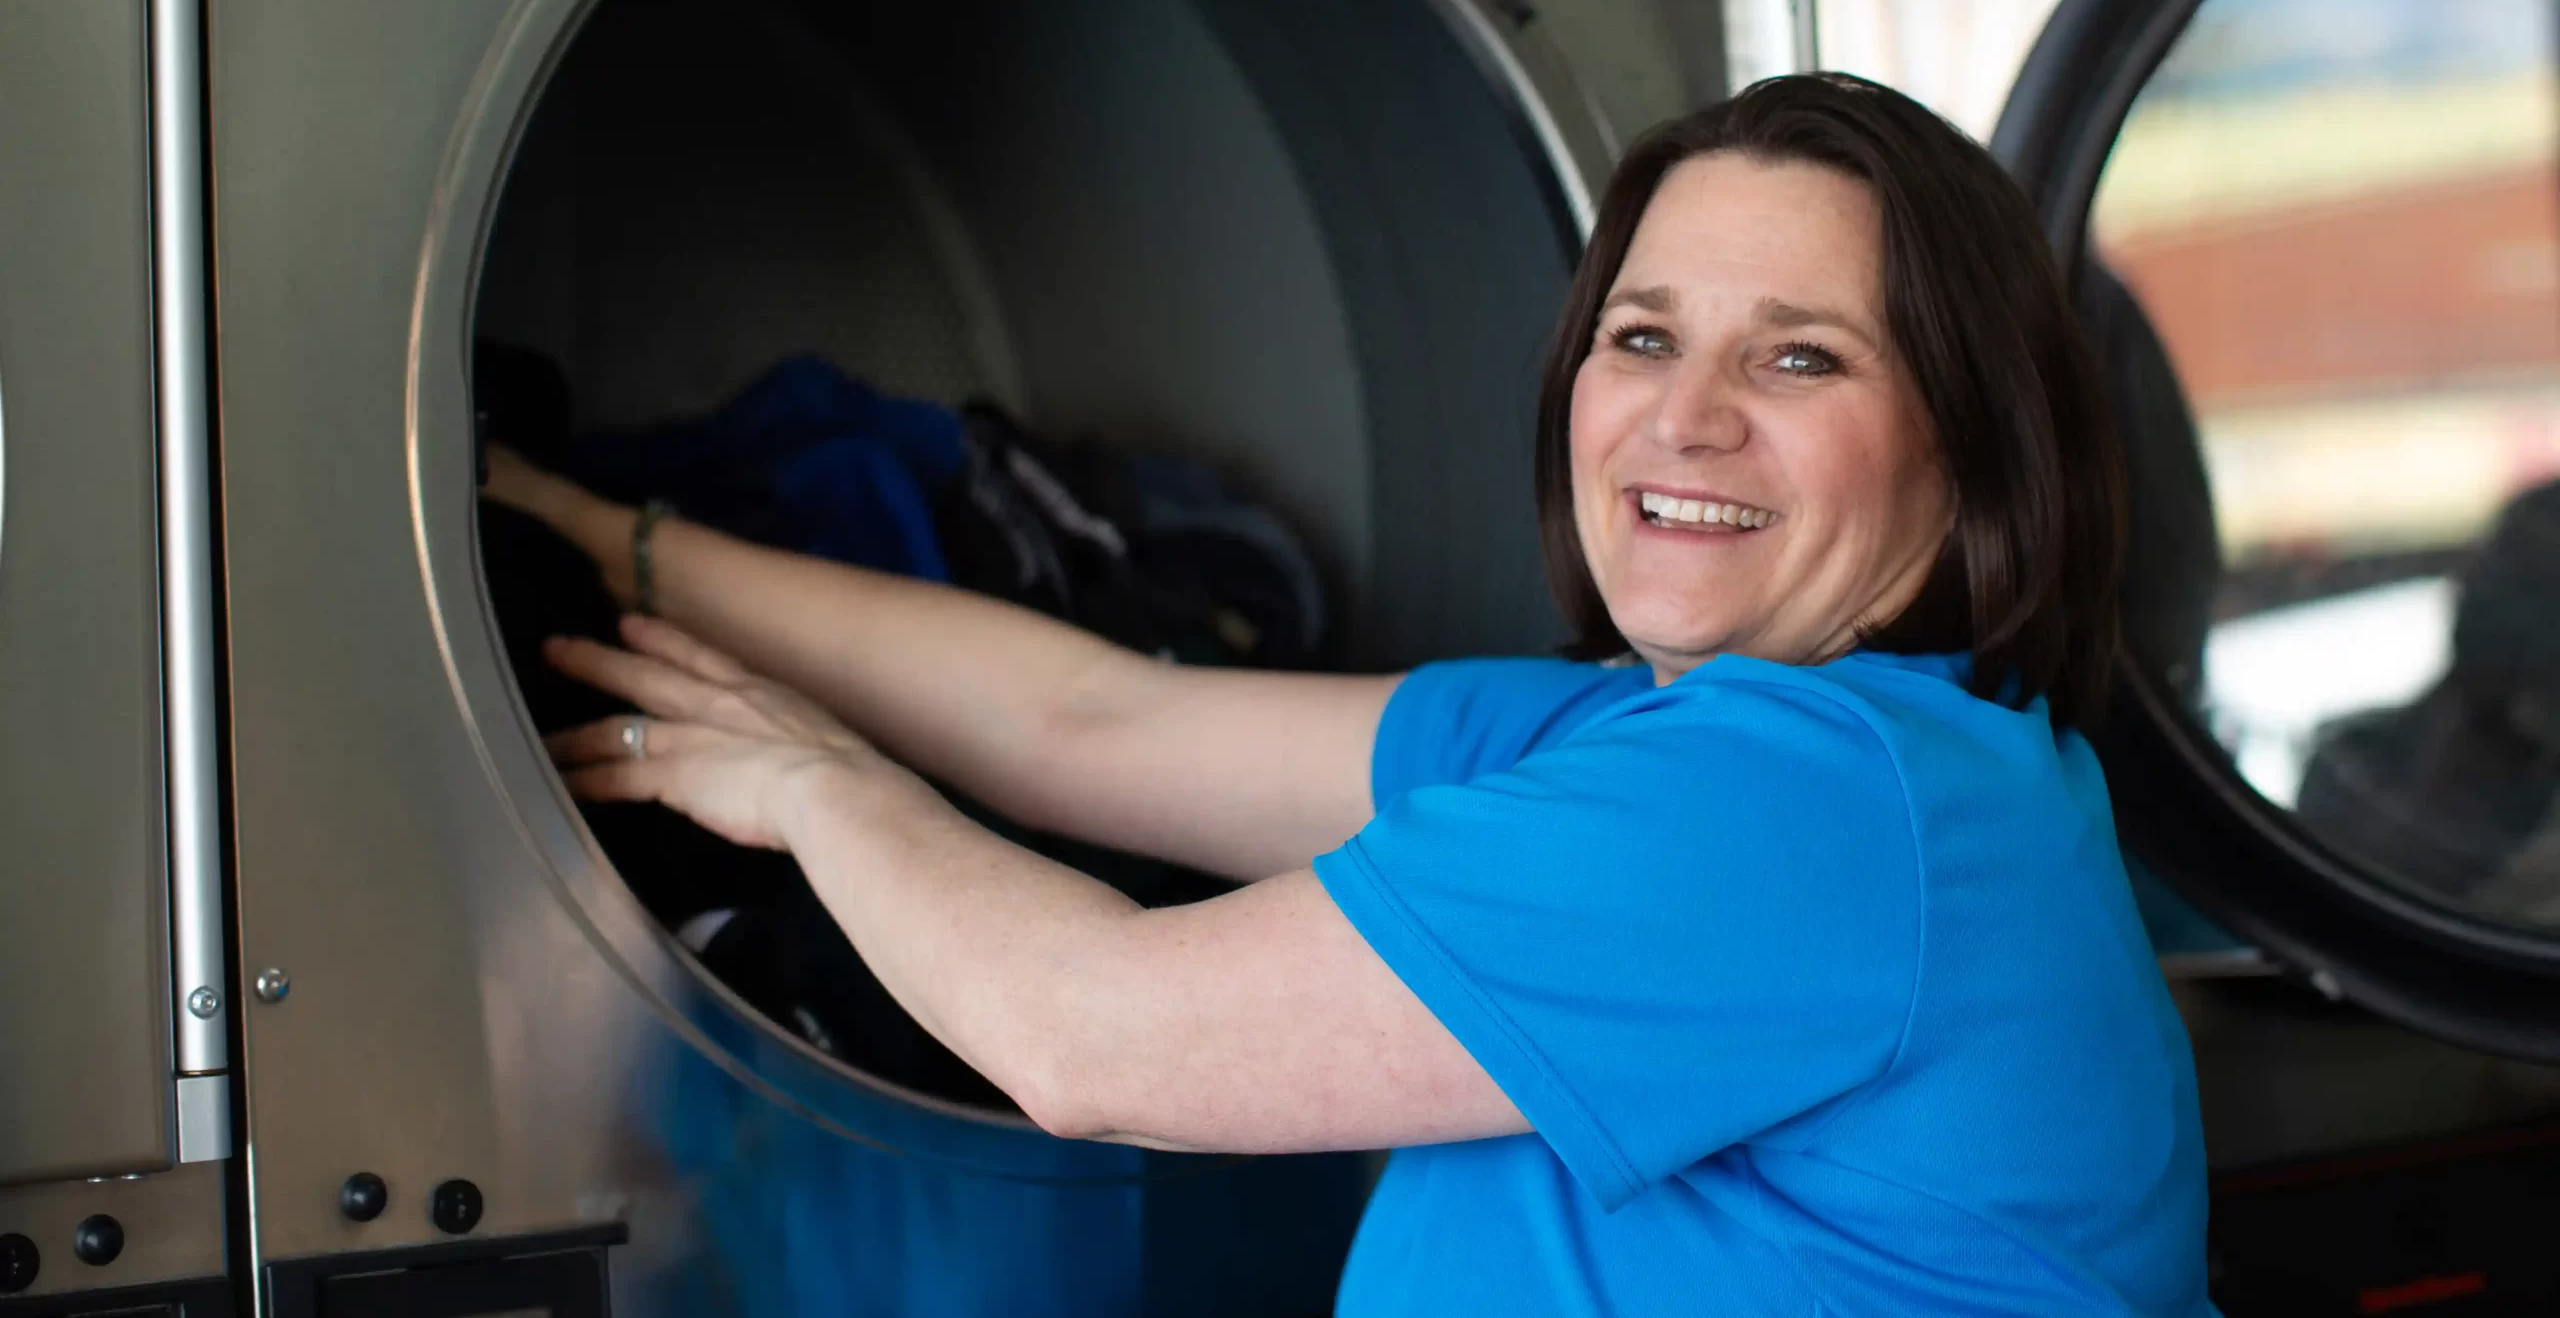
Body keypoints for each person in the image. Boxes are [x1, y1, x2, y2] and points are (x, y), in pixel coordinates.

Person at [485, 72, 2211, 1316]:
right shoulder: (1646, 745)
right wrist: (600, 537)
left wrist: (812, 791)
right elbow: (1089, 721)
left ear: (1972, 451)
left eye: (1798, 355)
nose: (1687, 414)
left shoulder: (1810, 804)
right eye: (1642, 334)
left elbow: (1098, 1039)